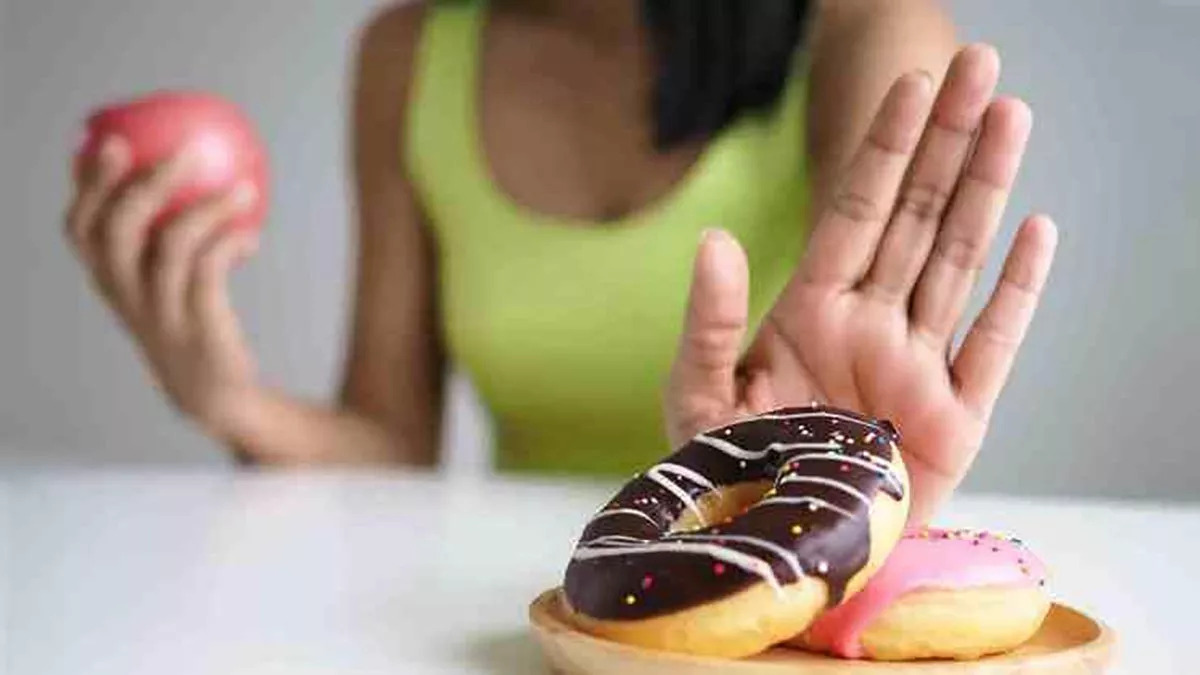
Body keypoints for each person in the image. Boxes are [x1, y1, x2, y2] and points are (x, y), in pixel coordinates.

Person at [64, 0, 1056, 524]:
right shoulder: (408, 53)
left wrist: (811, 470)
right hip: (500, 619)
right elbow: (391, 443)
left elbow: (876, 425)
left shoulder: (865, 33)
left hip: (771, 606)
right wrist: (227, 398)